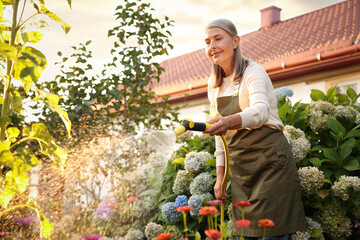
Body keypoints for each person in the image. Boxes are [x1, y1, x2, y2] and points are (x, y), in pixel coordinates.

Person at [203, 19, 308, 239]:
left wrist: (228, 121)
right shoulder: (215, 85)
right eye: (207, 41)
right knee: (247, 234)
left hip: (270, 165)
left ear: (235, 41)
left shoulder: (253, 72)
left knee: (273, 234)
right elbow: (219, 136)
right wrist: (220, 176)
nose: (211, 46)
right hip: (243, 173)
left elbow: (260, 111)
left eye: (218, 38)